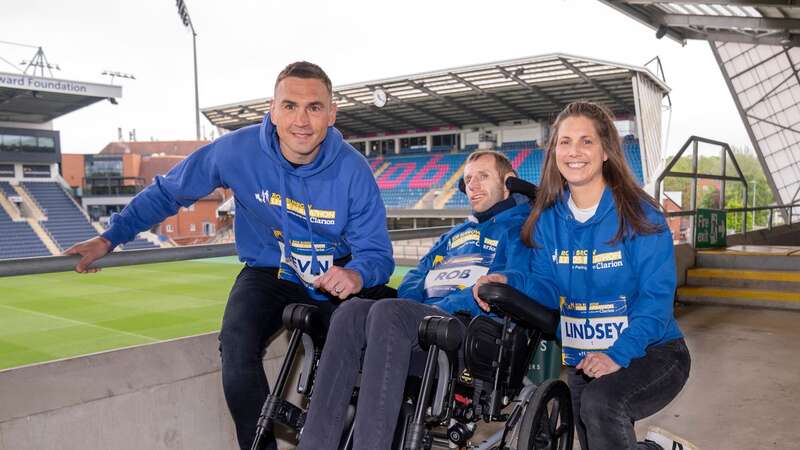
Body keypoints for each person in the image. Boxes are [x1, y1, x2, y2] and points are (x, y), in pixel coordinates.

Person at [63, 61, 395, 450]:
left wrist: (356, 274)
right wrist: (109, 238)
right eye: (289, 106)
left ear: (332, 113)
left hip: (333, 277)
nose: (301, 120)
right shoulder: (237, 150)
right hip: (269, 273)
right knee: (236, 349)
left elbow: (377, 253)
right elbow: (169, 192)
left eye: (314, 107)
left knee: (359, 360)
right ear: (272, 110)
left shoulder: (354, 171)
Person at [473, 102, 692, 450]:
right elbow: (545, 286)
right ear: (554, 152)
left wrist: (617, 355)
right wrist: (508, 281)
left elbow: (656, 302)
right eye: (564, 142)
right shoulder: (548, 219)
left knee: (602, 405)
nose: (574, 151)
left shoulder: (640, 216)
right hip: (584, 358)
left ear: (605, 151)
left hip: (654, 352)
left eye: (586, 141)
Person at [296, 150, 532, 450]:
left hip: (469, 331)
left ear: (508, 183)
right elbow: (415, 277)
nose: (472, 185)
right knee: (351, 311)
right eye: (468, 179)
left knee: (388, 313)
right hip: (422, 324)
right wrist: (415, 308)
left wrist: (434, 310)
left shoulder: (521, 228)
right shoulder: (455, 234)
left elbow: (504, 285)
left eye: (483, 177)